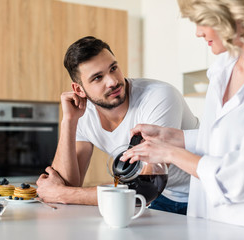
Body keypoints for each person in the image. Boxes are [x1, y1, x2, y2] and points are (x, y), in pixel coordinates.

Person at [120, 0, 244, 237]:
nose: (197, 32)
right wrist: (176, 137)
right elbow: (231, 139)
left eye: (202, 21)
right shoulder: (223, 69)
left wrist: (170, 153)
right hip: (212, 225)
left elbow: (242, 177)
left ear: (237, 15)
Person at [36, 36, 199, 215]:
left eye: (113, 68)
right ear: (79, 90)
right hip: (162, 198)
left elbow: (146, 186)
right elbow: (66, 183)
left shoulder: (158, 97)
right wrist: (69, 121)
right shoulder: (82, 112)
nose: (113, 81)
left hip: (201, 194)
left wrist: (64, 194)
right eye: (98, 78)